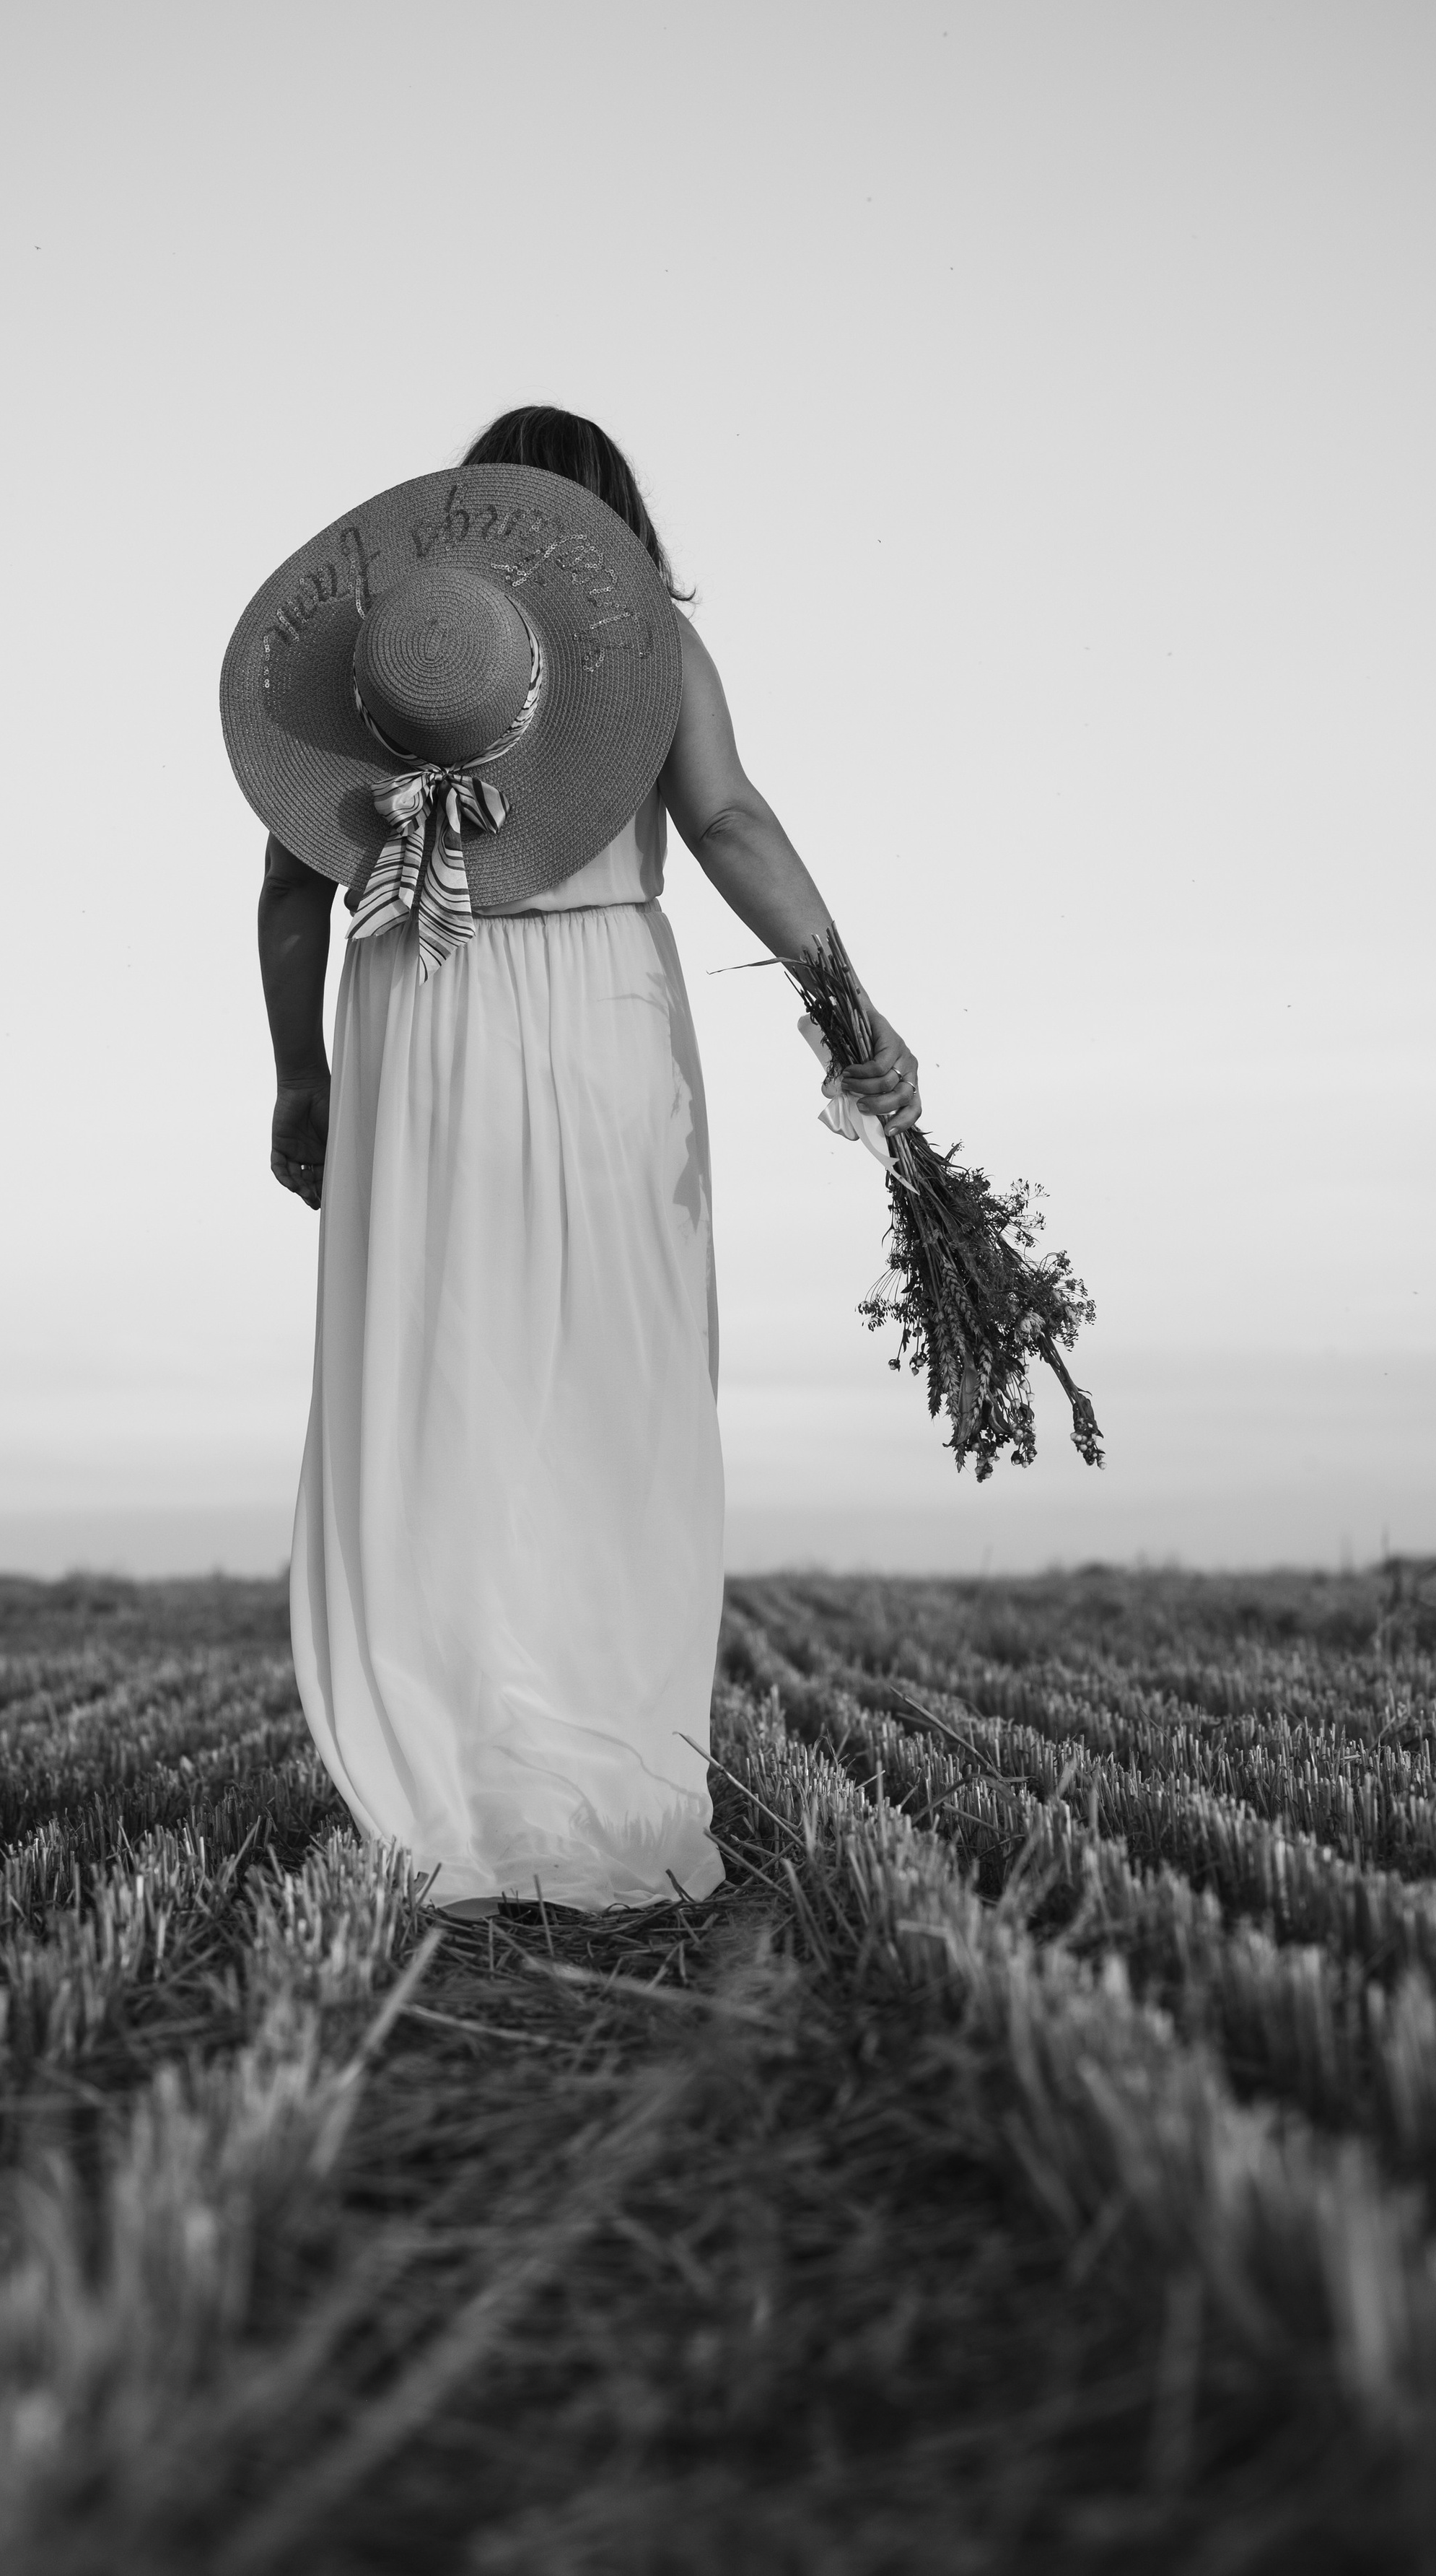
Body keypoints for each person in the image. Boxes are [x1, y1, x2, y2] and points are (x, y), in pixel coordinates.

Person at [226, 408, 920, 1913]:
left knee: (437, 1384)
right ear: (607, 526)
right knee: (618, 1381)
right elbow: (725, 818)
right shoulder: (645, 648)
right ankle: (604, 1774)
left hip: (415, 1002)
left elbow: (291, 888)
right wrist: (843, 1001)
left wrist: (302, 1076)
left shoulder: (384, 652)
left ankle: (441, 1782)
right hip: (603, 1008)